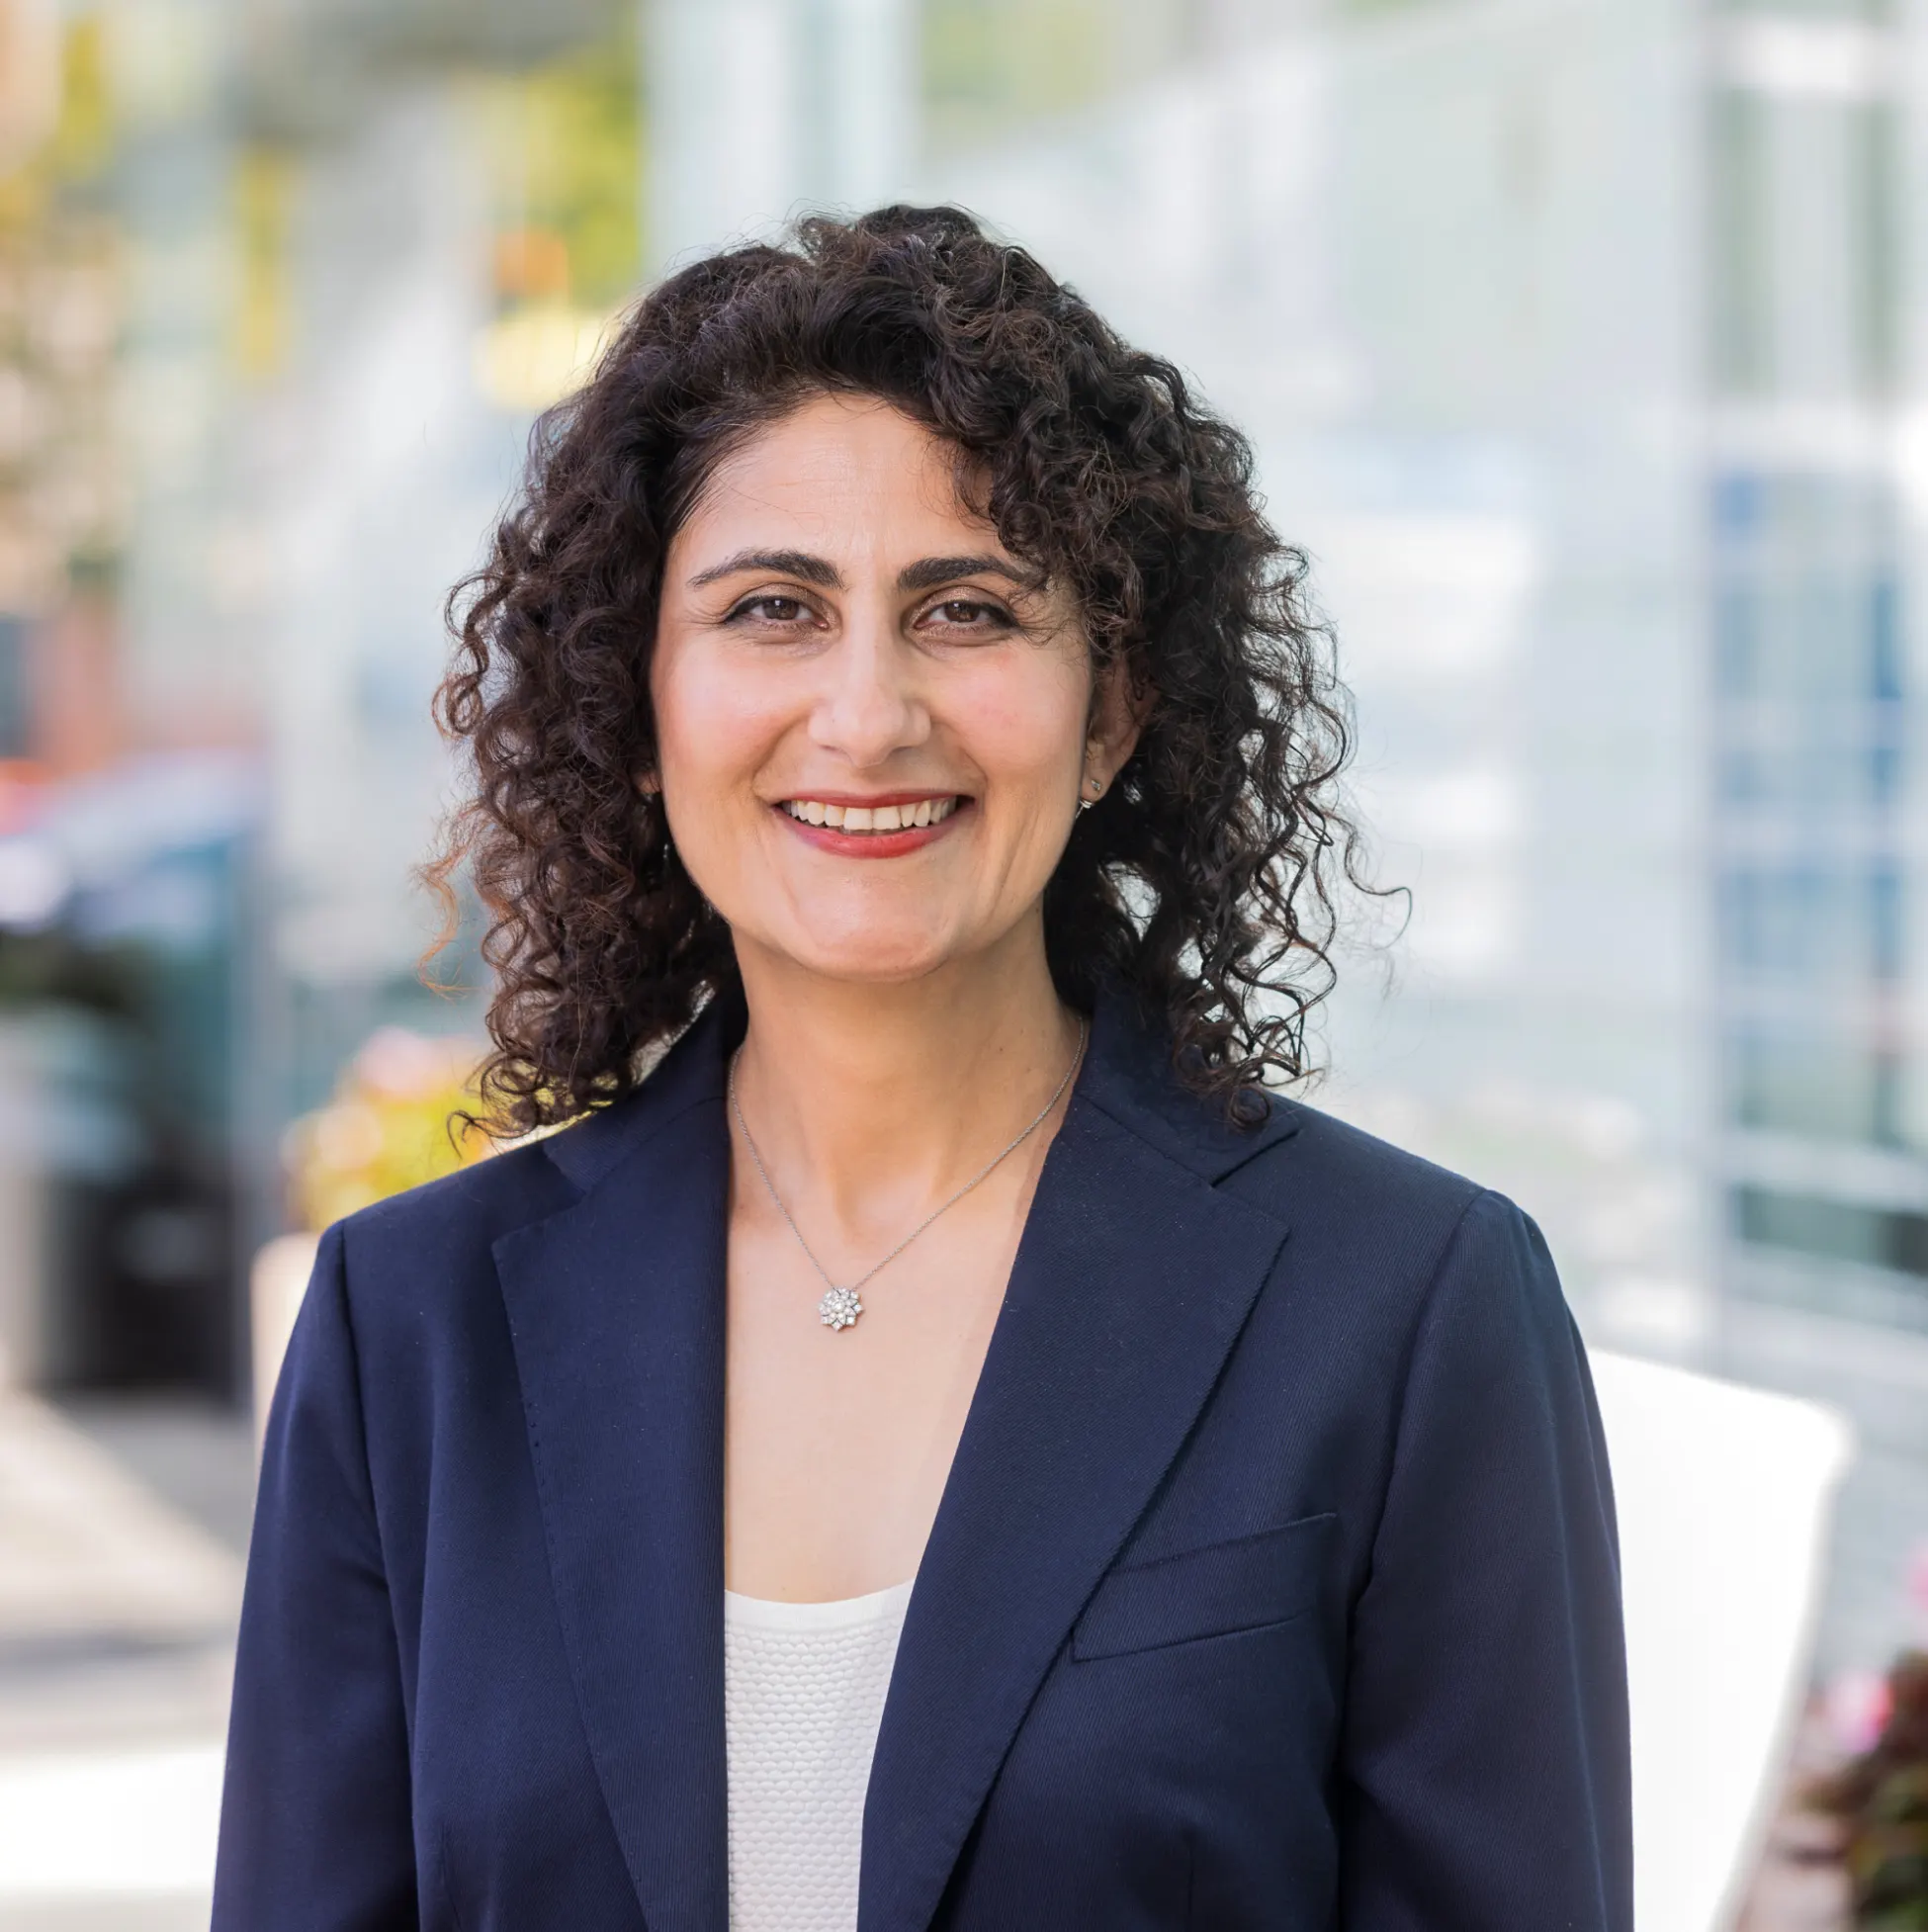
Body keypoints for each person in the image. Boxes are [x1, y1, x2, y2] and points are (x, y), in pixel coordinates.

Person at [214, 206, 1630, 1932]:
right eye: (770, 610)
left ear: (1111, 709)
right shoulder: (409, 1332)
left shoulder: (1403, 1309)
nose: (868, 712)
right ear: (639, 708)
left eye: (966, 609)